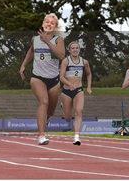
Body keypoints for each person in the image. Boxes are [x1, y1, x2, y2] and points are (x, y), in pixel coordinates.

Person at [19, 13, 65, 145]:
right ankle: (41, 135)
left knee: (50, 110)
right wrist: (23, 65)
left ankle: (47, 119)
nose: (49, 24)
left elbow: (61, 55)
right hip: (37, 77)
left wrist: (47, 41)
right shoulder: (35, 39)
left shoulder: (58, 40)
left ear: (55, 27)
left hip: (54, 79)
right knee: (43, 102)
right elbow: (31, 51)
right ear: (43, 23)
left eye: (52, 23)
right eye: (47, 22)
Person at [59, 41, 92, 146]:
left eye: (77, 48)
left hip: (78, 90)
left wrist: (89, 86)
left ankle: (77, 136)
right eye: (72, 48)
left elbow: (89, 74)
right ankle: (63, 106)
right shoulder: (66, 61)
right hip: (66, 91)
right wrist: (69, 84)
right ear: (69, 50)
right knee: (68, 117)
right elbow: (61, 77)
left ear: (79, 49)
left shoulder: (84, 62)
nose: (75, 50)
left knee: (79, 111)